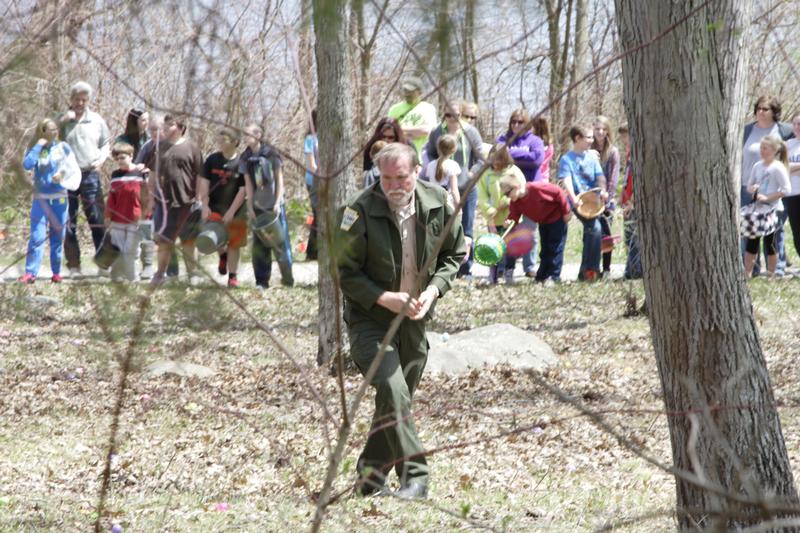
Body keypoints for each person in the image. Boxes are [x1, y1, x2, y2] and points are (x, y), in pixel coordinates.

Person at [336, 142, 465, 500]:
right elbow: (343, 271)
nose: (393, 185)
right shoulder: (357, 211)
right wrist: (384, 297)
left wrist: (434, 291)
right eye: (386, 178)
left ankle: (369, 480)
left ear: (417, 172)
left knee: (394, 403)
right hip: (370, 322)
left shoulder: (438, 202)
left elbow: (454, 255)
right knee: (393, 391)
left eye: (402, 177)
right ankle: (416, 476)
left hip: (415, 322)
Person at [423, 101, 485, 278]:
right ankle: (445, 266)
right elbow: (429, 154)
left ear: (463, 114)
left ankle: (466, 268)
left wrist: (473, 173)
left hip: (466, 187)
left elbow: (481, 156)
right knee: (443, 229)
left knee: (466, 228)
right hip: (443, 192)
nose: (453, 119)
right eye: (449, 115)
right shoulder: (437, 132)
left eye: (457, 114)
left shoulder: (470, 132)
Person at [58, 81, 111, 277]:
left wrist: (101, 160)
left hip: (90, 174)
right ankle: (74, 266)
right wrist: (62, 120)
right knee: (68, 221)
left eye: (84, 99)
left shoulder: (96, 120)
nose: (80, 103)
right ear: (70, 100)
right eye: (77, 99)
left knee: (96, 218)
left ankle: (103, 265)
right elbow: (46, 137)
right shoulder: (62, 120)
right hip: (67, 175)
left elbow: (105, 143)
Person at [18, 119, 78, 284]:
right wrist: (39, 145)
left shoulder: (63, 147)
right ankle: (31, 273)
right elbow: (27, 165)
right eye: (50, 130)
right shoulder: (36, 148)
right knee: (37, 237)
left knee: (58, 237)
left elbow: (72, 167)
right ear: (42, 131)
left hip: (59, 200)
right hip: (41, 200)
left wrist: (62, 175)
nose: (54, 132)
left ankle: (56, 272)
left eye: (55, 129)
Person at [146, 114, 203, 287]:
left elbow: (200, 175)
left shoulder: (192, 147)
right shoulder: (160, 148)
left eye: (169, 125)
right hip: (165, 203)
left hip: (187, 202)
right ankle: (161, 274)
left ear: (180, 127)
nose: (164, 128)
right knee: (164, 240)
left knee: (188, 241)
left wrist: (199, 199)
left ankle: (192, 274)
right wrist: (151, 198)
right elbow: (153, 175)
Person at [741, 95, 795, 276]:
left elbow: (793, 148)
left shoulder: (784, 131)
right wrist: (750, 188)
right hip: (747, 188)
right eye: (758, 108)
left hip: (775, 193)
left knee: (774, 233)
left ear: (774, 112)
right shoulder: (746, 131)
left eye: (765, 109)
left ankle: (776, 270)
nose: (760, 112)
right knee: (749, 232)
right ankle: (750, 270)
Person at [241, 123, 294, 288]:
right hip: (258, 206)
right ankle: (262, 281)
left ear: (258, 135)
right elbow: (248, 183)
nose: (245, 136)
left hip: (274, 206)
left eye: (248, 133)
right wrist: (249, 205)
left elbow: (279, 179)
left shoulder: (271, 154)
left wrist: (278, 202)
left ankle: (287, 279)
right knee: (260, 246)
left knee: (280, 243)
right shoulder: (245, 157)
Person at [497, 109, 545, 278]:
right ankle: (504, 267)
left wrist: (513, 155)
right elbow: (500, 155)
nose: (516, 125)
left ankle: (529, 266)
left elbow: (537, 160)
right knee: (509, 228)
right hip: (509, 190)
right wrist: (525, 155)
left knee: (530, 229)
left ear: (527, 123)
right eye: (513, 122)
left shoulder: (535, 140)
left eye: (520, 122)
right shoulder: (504, 139)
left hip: (530, 191)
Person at [501, 172, 571, 282]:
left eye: (508, 193)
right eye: (505, 195)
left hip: (556, 218)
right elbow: (514, 216)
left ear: (517, 187)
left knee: (555, 248)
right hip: (543, 221)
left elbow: (558, 192)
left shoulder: (535, 188)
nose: (507, 197)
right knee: (545, 250)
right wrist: (509, 221)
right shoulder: (515, 202)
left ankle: (554, 276)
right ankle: (542, 276)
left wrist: (566, 211)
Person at [558, 125, 607, 281]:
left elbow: (600, 177)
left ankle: (585, 271)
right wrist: (574, 198)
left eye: (592, 137)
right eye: (588, 137)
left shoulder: (592, 157)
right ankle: (591, 270)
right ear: (577, 138)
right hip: (577, 201)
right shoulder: (567, 159)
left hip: (592, 201)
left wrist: (603, 191)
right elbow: (566, 180)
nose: (591, 140)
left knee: (592, 232)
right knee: (595, 228)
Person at [198, 127, 246, 287]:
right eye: (218, 139)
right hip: (214, 208)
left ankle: (232, 276)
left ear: (235, 142)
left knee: (234, 243)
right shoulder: (212, 159)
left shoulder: (241, 162)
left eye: (223, 140)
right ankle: (222, 255)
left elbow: (243, 189)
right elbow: (204, 183)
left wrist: (232, 212)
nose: (219, 142)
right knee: (212, 237)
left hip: (236, 210)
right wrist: (204, 205)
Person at [743, 135, 790, 277]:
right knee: (752, 241)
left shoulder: (778, 167)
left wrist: (768, 197)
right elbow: (749, 185)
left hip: (773, 209)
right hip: (758, 209)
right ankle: (747, 273)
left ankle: (771, 275)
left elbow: (786, 189)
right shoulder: (757, 166)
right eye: (761, 148)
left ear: (775, 150)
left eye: (765, 148)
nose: (762, 151)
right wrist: (752, 189)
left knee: (770, 243)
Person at [477, 144, 525, 284]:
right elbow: (482, 196)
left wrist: (508, 202)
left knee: (511, 247)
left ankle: (509, 271)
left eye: (499, 162)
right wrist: (490, 212)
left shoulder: (514, 171)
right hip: (494, 219)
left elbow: (521, 190)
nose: (496, 165)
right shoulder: (486, 175)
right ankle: (494, 275)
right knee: (494, 247)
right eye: (494, 161)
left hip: (511, 218)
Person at [105, 142, 148, 282]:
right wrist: (107, 216)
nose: (119, 161)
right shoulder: (116, 175)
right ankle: (117, 275)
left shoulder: (141, 174)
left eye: (122, 157)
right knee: (118, 248)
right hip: (117, 218)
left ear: (131, 156)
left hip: (135, 219)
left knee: (131, 251)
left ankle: (132, 278)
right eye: (117, 158)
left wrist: (145, 218)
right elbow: (111, 197)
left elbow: (147, 197)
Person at [591, 116, 620, 277]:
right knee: (593, 235)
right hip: (590, 200)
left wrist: (607, 198)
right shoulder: (590, 150)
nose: (600, 132)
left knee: (606, 235)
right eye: (597, 129)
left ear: (608, 131)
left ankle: (607, 269)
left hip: (606, 201)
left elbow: (614, 178)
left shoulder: (613, 152)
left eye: (603, 129)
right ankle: (592, 267)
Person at [387, 76, 437, 160]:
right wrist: (414, 133)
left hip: (420, 158)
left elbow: (426, 131)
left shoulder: (428, 108)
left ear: (419, 92)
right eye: (405, 90)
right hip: (397, 156)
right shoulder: (394, 109)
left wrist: (400, 130)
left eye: (411, 91)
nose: (407, 94)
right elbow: (389, 131)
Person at [617, 123, 642, 280]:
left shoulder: (638, 153)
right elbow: (627, 178)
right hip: (627, 201)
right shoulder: (629, 154)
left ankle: (634, 271)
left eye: (626, 136)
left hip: (634, 203)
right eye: (622, 137)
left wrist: (632, 201)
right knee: (629, 236)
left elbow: (639, 181)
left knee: (634, 237)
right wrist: (622, 196)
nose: (624, 140)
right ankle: (631, 268)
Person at [424, 134, 461, 206]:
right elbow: (454, 191)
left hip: (433, 203)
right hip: (448, 204)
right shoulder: (453, 165)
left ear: (438, 148)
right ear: (454, 149)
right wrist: (458, 207)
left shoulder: (430, 165)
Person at [302, 110, 319, 260]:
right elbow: (311, 163)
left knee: (320, 215)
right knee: (318, 214)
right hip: (314, 181)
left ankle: (313, 251)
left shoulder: (329, 138)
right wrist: (321, 176)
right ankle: (312, 252)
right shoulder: (310, 139)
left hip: (327, 180)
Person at [784, 112, 800, 262]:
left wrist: (792, 167)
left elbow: (789, 167)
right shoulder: (788, 144)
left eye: (799, 124)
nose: (797, 127)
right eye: (794, 124)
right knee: (796, 232)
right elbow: (782, 167)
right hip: (792, 193)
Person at [531, 117, 554, 182]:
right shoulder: (549, 144)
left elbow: (540, 163)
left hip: (538, 178)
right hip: (543, 178)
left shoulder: (547, 144)